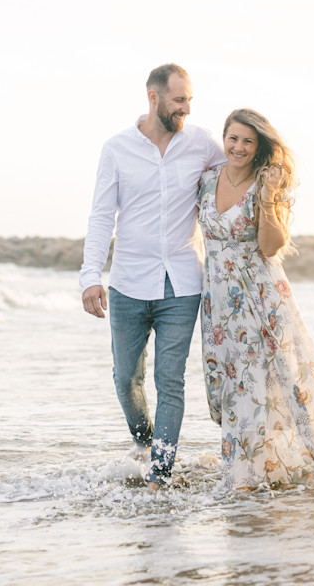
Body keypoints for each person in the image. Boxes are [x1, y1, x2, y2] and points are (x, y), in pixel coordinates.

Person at [80, 63, 226, 490]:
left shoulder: (201, 144)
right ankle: (144, 442)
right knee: (126, 378)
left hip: (182, 284)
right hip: (128, 282)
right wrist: (91, 275)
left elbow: (236, 170)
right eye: (179, 99)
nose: (185, 108)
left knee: (170, 380)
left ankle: (160, 475)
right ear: (154, 97)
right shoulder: (117, 148)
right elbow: (102, 215)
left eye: (189, 101)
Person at [198, 108, 314, 491]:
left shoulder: (265, 183)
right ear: (224, 139)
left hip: (260, 295)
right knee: (230, 383)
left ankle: (248, 478)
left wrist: (267, 196)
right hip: (218, 302)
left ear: (258, 146)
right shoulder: (204, 180)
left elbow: (270, 247)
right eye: (232, 138)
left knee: (272, 381)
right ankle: (257, 469)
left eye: (247, 141)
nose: (238, 147)